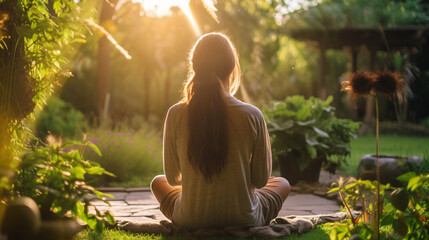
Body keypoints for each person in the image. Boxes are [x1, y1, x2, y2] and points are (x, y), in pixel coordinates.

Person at [151, 32, 290, 230]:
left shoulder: (175, 113)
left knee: (158, 182)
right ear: (232, 67)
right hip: (245, 218)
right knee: (282, 182)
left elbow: (173, 179)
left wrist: (199, 177)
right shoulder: (252, 114)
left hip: (190, 219)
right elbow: (260, 181)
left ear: (194, 66)